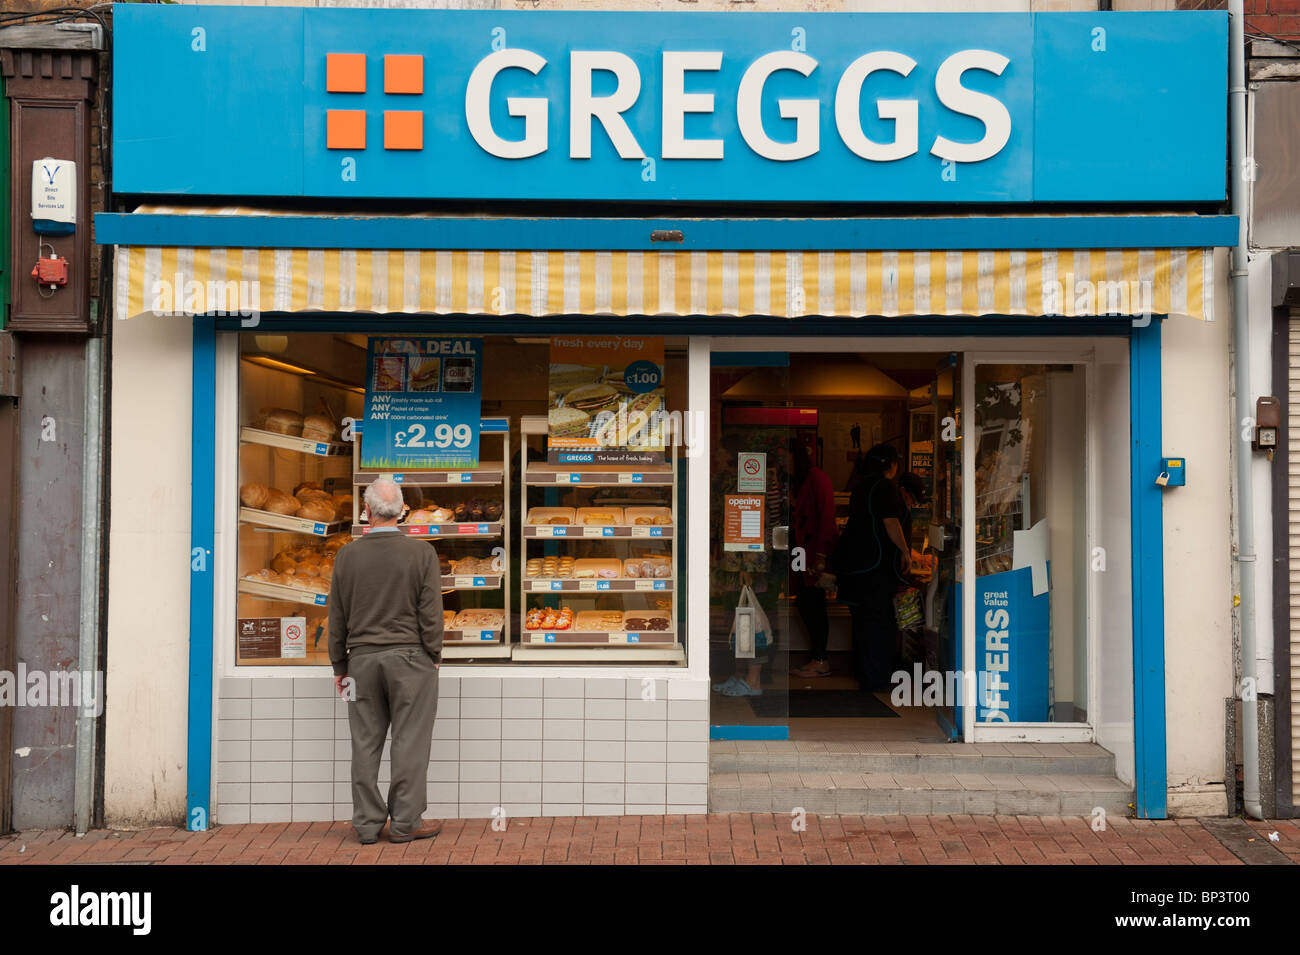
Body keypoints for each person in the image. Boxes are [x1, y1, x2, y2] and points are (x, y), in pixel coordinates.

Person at [329, 477, 444, 845]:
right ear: (402, 511)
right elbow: (431, 614)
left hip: (359, 663)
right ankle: (405, 823)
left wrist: (338, 667)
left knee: (364, 742)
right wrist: (434, 655)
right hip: (412, 661)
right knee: (409, 741)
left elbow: (337, 617)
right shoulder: (422, 554)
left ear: (367, 512)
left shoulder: (346, 555)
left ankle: (365, 824)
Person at [834, 444, 909, 693]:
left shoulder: (860, 486)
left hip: (854, 566)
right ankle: (876, 678)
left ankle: (863, 673)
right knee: (878, 623)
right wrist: (906, 551)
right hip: (874, 567)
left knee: (862, 623)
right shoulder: (884, 486)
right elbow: (890, 522)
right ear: (890, 464)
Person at [787, 438, 838, 680]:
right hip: (801, 553)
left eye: (785, 456)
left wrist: (820, 556)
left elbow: (827, 516)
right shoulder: (797, 481)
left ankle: (821, 660)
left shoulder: (817, 478)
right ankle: (818, 658)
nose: (782, 462)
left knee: (813, 605)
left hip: (812, 553)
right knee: (805, 603)